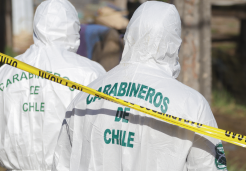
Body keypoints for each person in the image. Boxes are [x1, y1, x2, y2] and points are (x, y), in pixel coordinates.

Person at [52, 1, 227, 171]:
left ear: (129, 36)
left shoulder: (86, 95)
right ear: (173, 43)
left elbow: (62, 163)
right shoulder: (191, 104)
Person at [0, 0, 106, 170]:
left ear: (36, 26)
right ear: (74, 28)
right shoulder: (91, 73)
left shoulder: (6, 72)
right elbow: (104, 136)